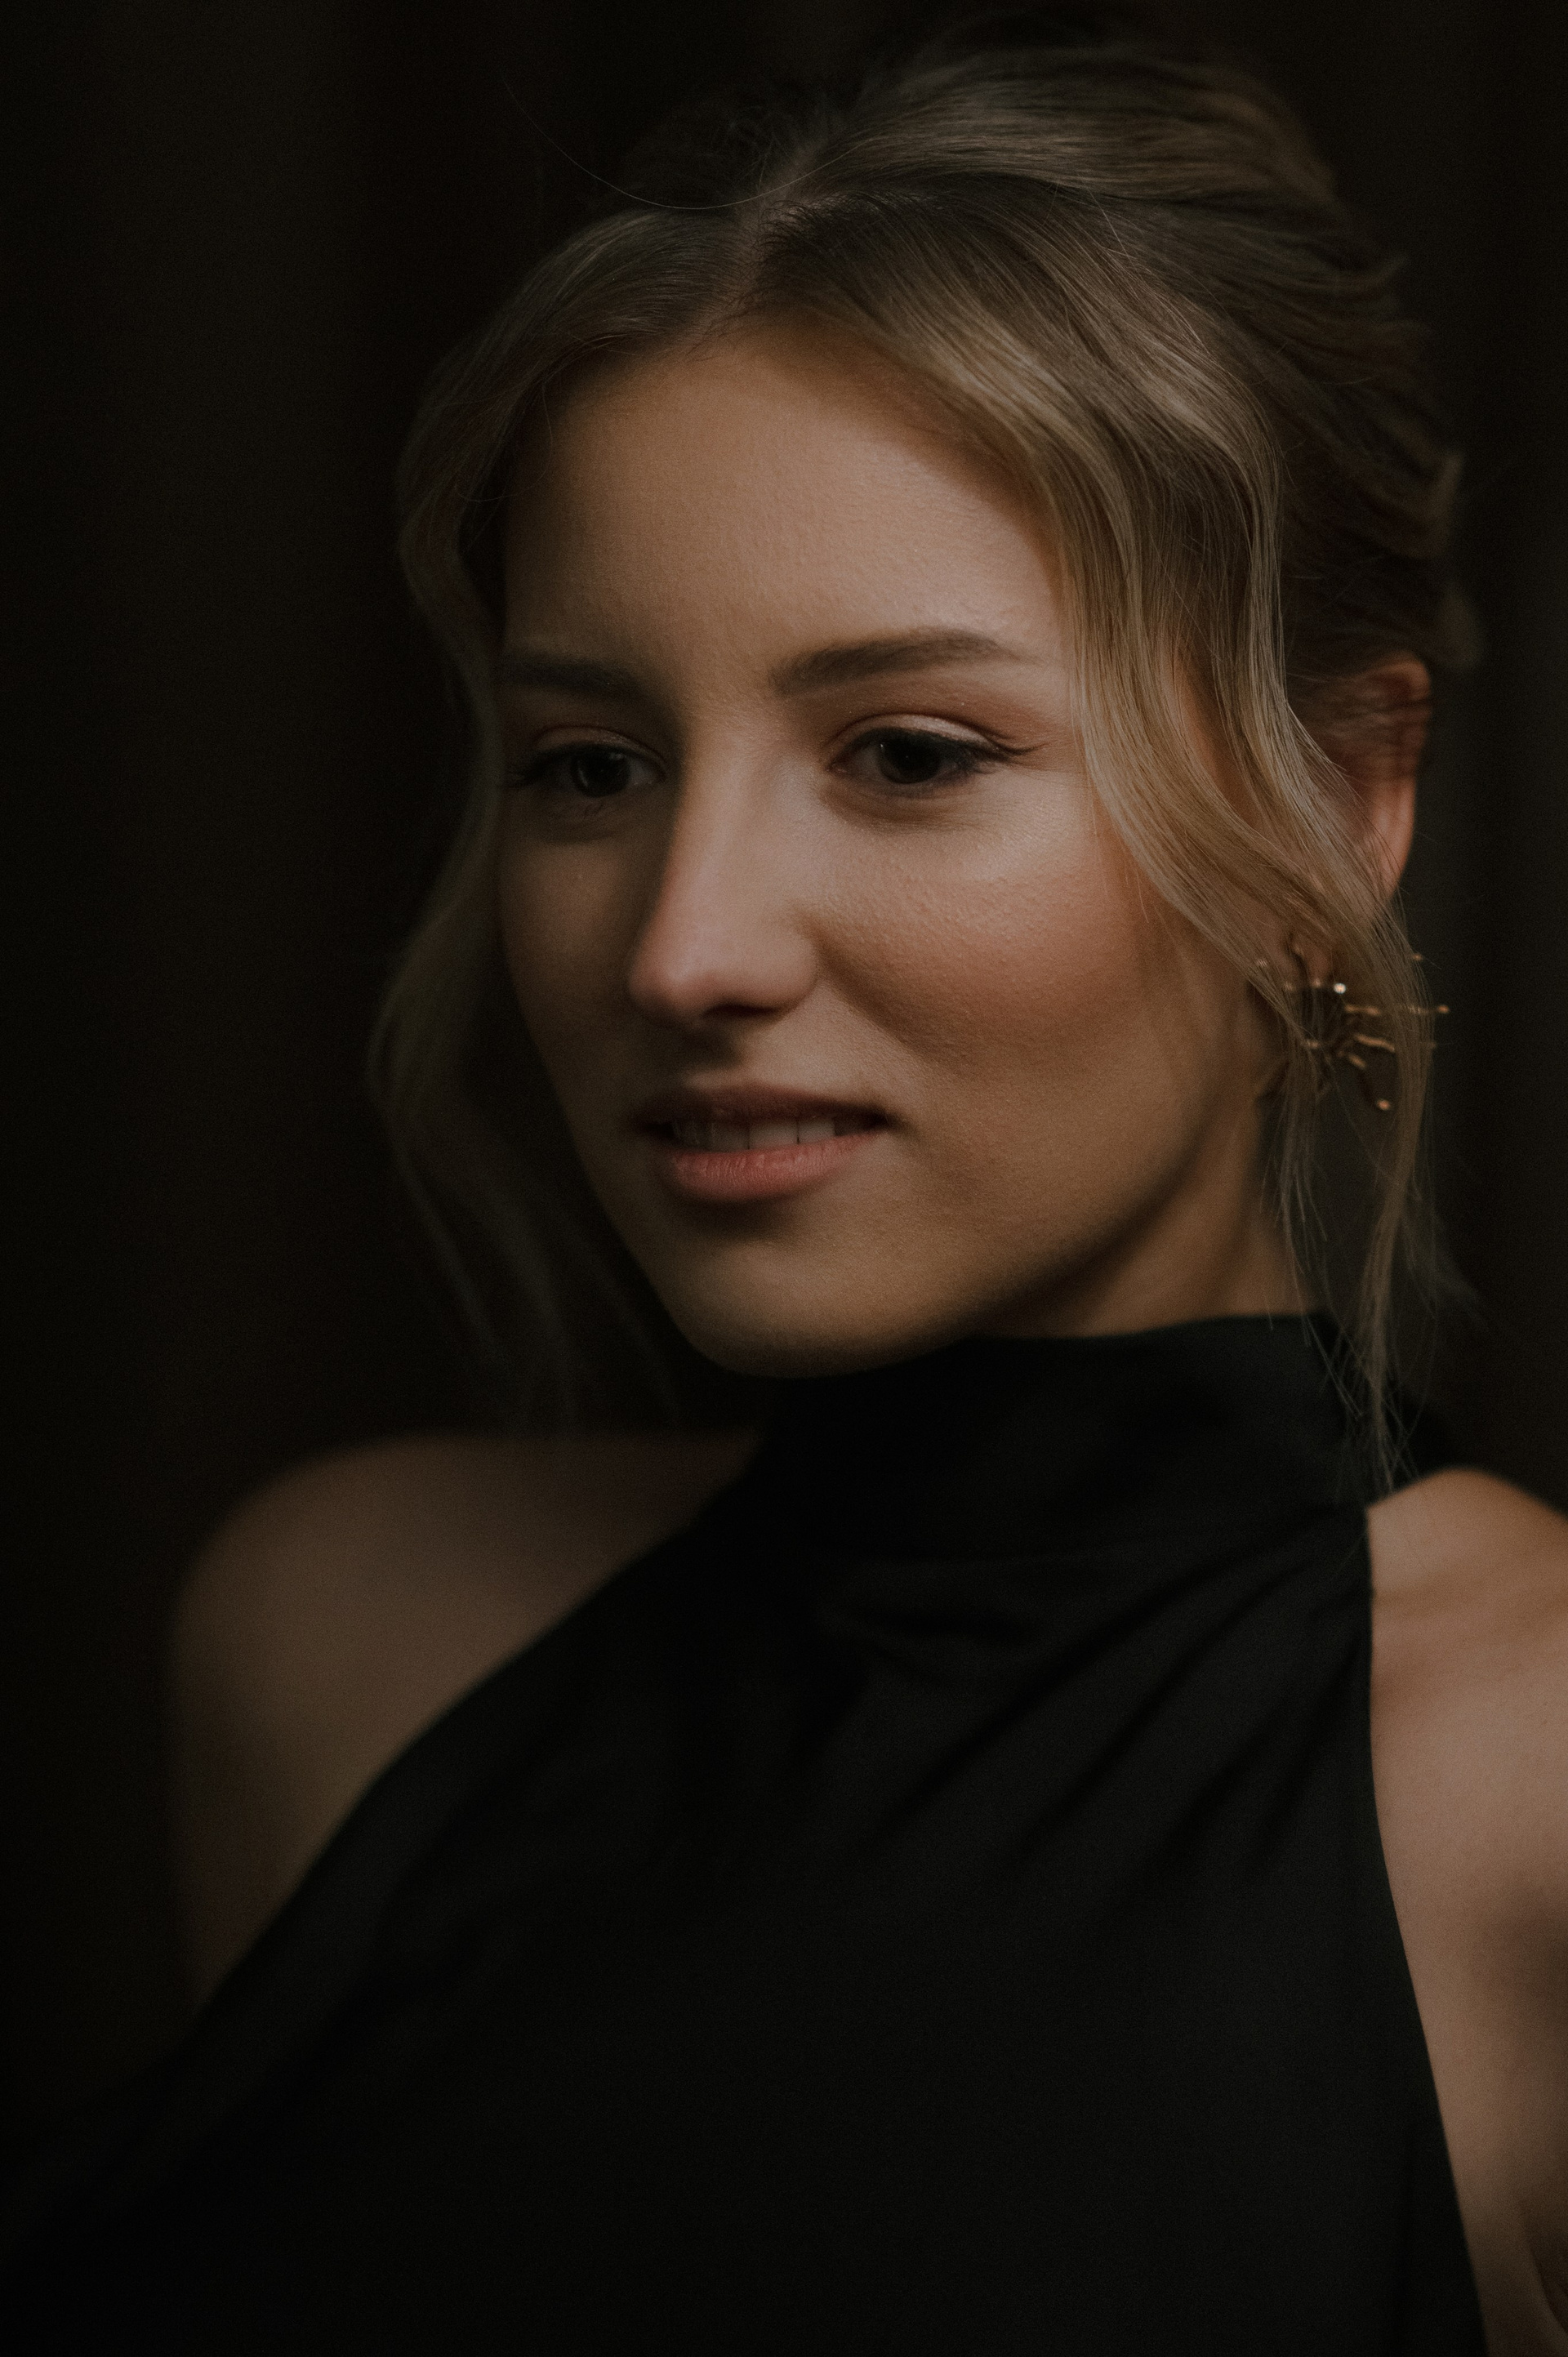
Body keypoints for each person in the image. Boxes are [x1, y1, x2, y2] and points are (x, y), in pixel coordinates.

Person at [5, 11, 1566, 2351]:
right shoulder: (333, 1644)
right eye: (590, 763)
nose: (680, 948)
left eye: (909, 752)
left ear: (1337, 800)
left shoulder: (1530, 1786)